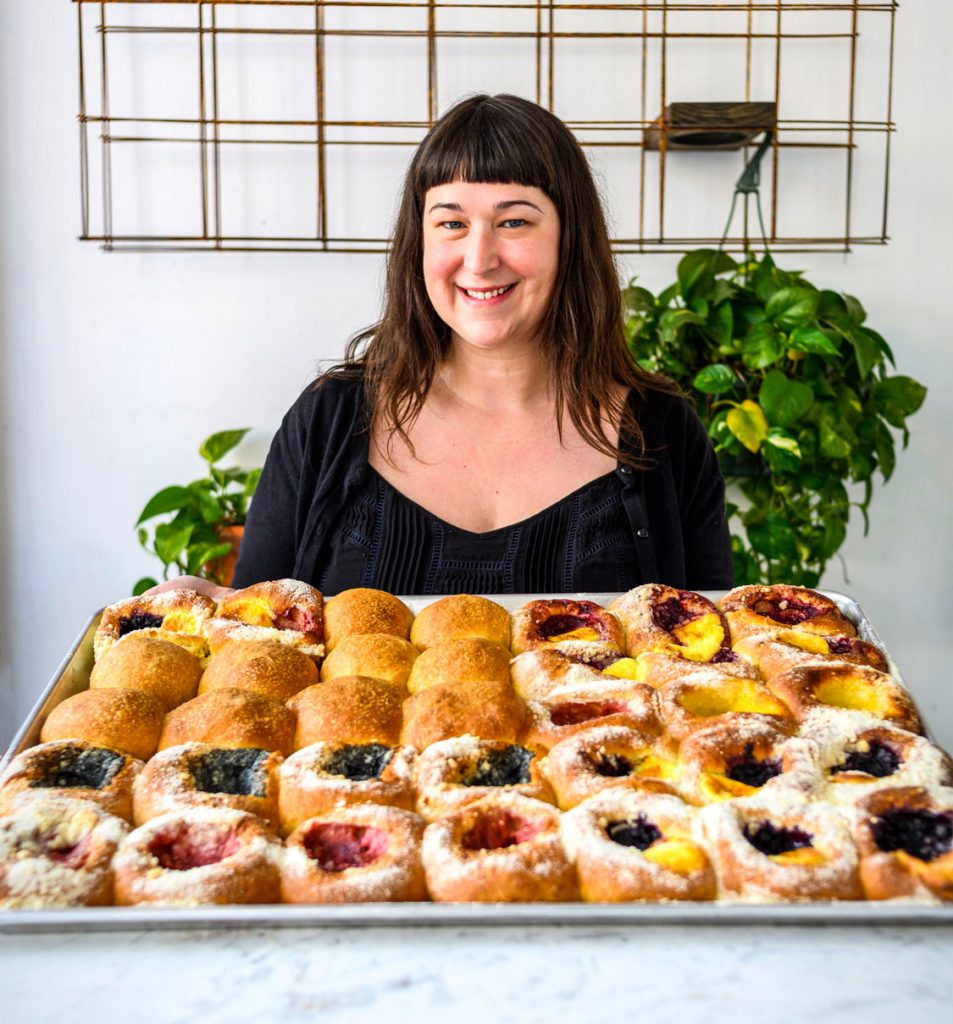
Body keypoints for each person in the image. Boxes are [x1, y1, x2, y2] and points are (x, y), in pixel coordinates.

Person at [167, 93, 733, 599]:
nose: (479, 258)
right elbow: (260, 637)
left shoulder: (666, 434)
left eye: (513, 222)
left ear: (570, 239)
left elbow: (706, 655)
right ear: (421, 240)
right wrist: (210, 604)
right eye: (451, 223)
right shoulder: (328, 420)